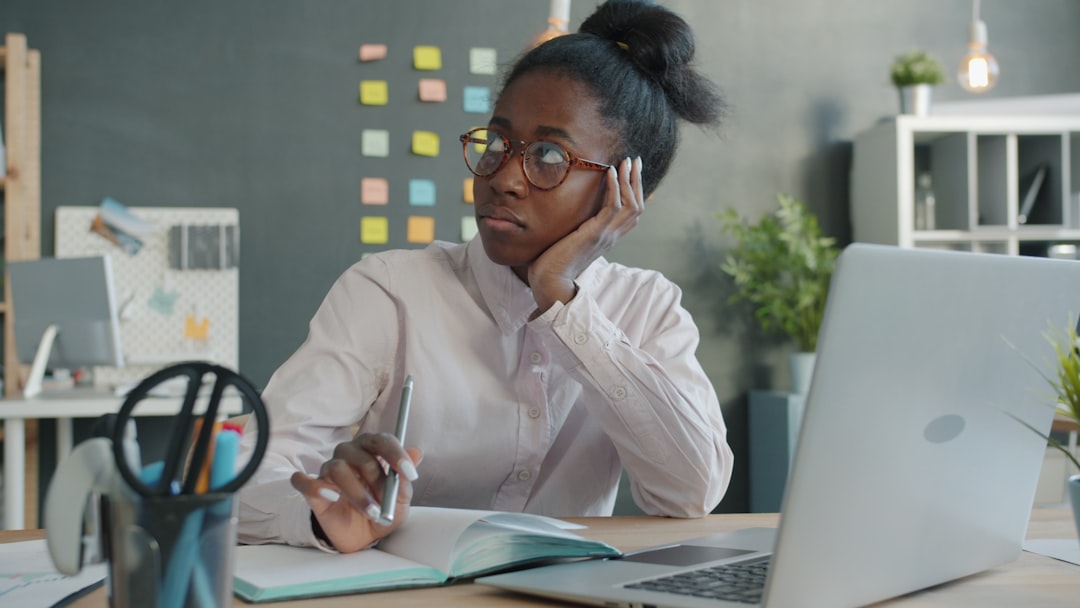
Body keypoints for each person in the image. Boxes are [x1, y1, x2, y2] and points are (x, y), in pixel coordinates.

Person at [237, 0, 733, 553]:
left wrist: (564, 304)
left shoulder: (646, 307)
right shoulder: (389, 291)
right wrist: (319, 511)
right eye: (497, 143)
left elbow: (691, 493)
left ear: (627, 191)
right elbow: (245, 472)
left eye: (549, 155)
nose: (504, 178)